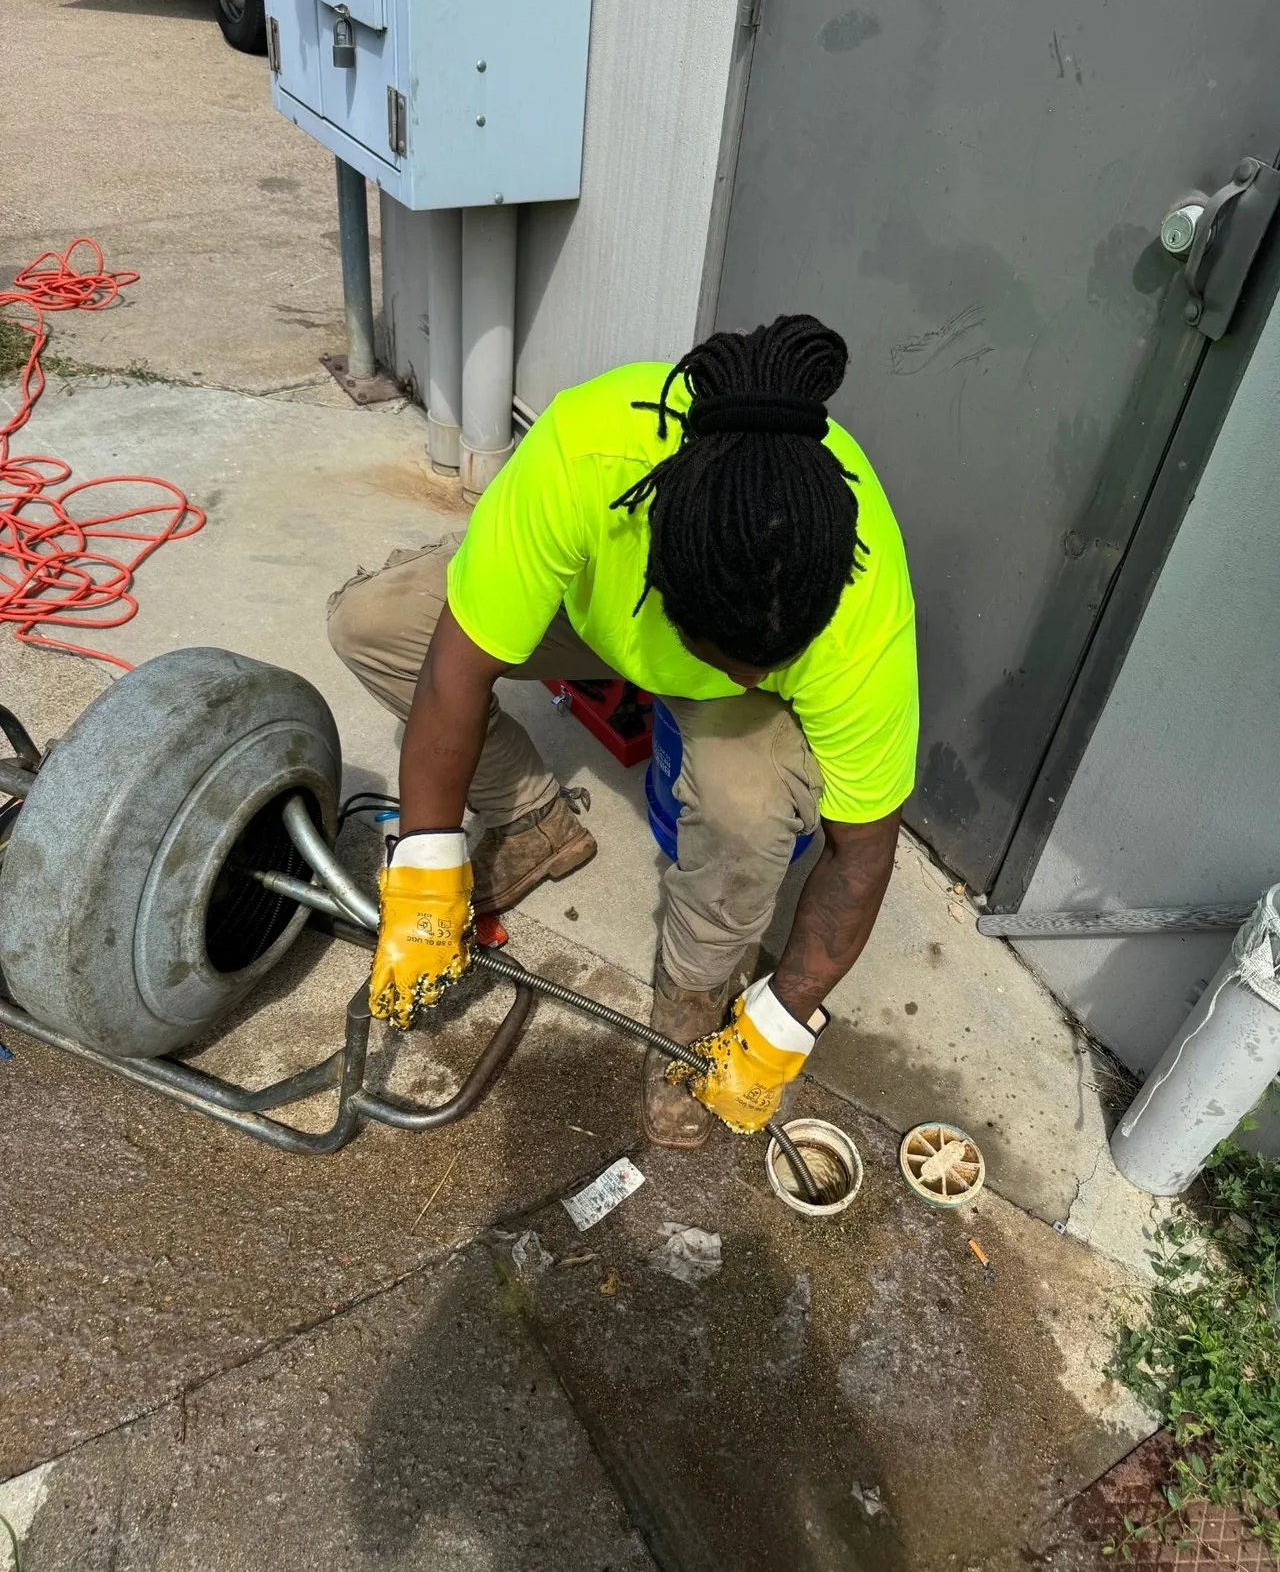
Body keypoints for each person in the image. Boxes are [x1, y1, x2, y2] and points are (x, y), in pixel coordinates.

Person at [328, 314, 917, 1148]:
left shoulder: (861, 602)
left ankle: (689, 1008)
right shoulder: (584, 459)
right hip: (604, 610)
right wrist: (426, 870)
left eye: (767, 665)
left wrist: (783, 1020)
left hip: (707, 630)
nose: (748, 676)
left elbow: (862, 852)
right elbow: (452, 671)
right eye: (726, 656)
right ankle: (535, 821)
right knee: (375, 622)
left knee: (748, 810)